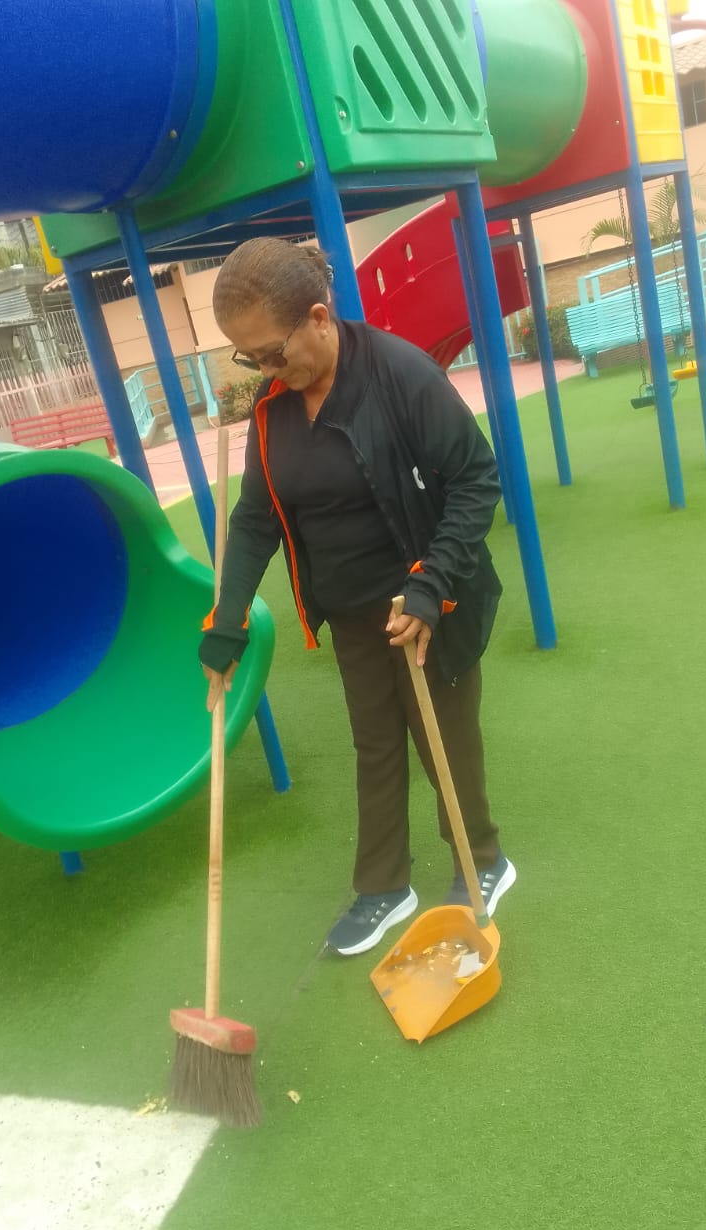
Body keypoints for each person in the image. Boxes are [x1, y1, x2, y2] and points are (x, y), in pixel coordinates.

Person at [199, 237, 516, 956]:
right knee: (374, 743)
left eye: (271, 354)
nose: (265, 372)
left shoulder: (403, 375)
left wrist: (430, 584)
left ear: (318, 318)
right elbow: (256, 516)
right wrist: (230, 614)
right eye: (249, 360)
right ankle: (383, 886)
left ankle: (484, 861)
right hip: (350, 610)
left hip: (429, 598)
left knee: (443, 739)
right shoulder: (275, 407)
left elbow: (476, 480)